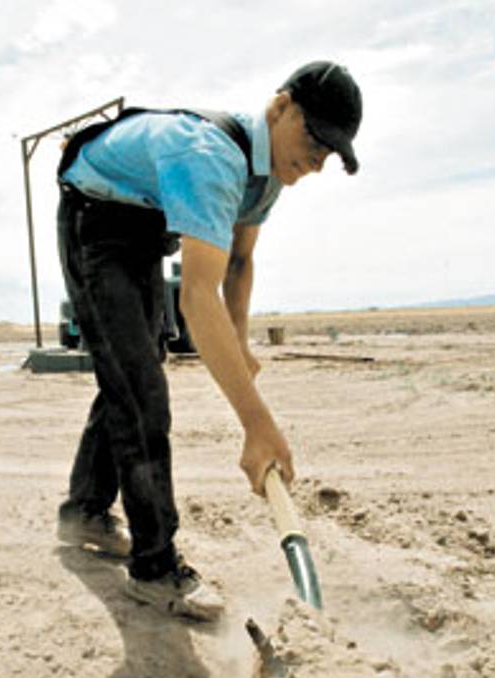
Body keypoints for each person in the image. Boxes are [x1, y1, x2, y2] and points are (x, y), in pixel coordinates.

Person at [53, 62, 363, 621]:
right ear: (280, 107)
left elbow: (239, 261)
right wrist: (257, 425)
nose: (316, 162)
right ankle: (154, 570)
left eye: (329, 155)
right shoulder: (211, 157)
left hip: (143, 227)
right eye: (314, 140)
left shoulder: (268, 175)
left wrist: (239, 343)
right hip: (95, 218)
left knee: (134, 371)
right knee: (141, 390)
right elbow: (198, 297)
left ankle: (85, 513)